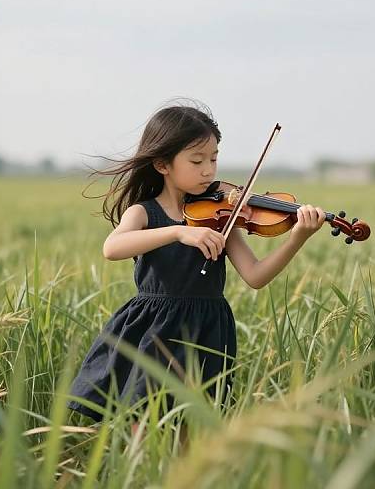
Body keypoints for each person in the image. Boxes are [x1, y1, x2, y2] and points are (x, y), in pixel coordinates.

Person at [67, 102, 325, 422]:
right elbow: (113, 247)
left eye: (214, 159)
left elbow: (256, 276)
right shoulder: (144, 212)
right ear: (163, 164)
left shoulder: (219, 218)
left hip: (208, 329)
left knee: (193, 424)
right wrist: (178, 233)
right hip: (156, 328)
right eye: (197, 160)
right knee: (145, 420)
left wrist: (297, 237)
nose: (209, 170)